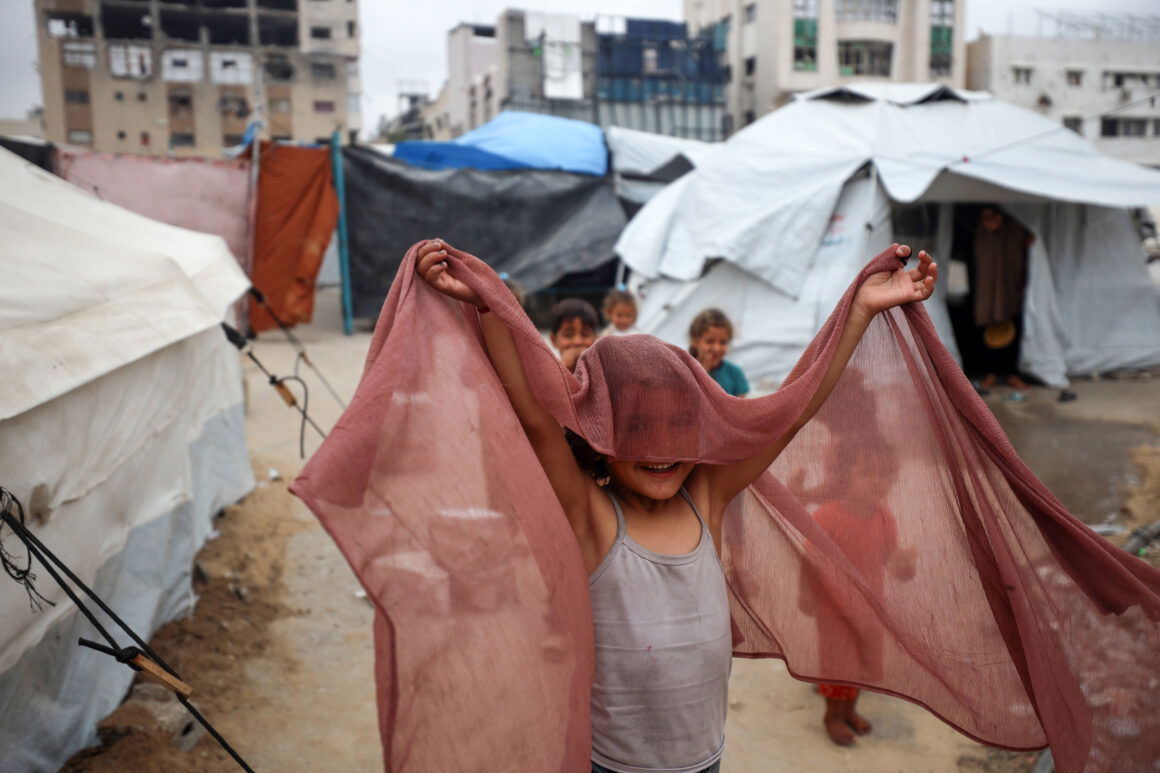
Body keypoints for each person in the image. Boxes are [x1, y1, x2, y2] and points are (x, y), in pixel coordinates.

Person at [416, 238, 937, 773]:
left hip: (703, 761)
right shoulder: (593, 517)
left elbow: (794, 408)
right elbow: (533, 417)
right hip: (614, 766)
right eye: (638, 428)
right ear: (600, 437)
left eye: (678, 425)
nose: (661, 449)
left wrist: (861, 309)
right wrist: (489, 306)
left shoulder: (706, 497)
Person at [973, 205, 1034, 391]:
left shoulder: (1014, 232)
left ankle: (1011, 374)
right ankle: (990, 373)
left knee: (1012, 328)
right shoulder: (980, 236)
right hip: (987, 291)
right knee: (988, 331)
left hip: (1010, 290)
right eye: (985, 218)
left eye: (992, 216)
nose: (989, 221)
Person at [689, 308, 749, 397]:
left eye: (723, 342)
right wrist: (704, 371)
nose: (717, 349)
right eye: (710, 341)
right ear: (695, 341)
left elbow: (740, 407)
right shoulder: (686, 372)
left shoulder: (734, 373)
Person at [549, 298, 598, 372]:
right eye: (568, 335)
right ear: (553, 340)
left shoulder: (605, 373)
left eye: (585, 334)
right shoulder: (548, 374)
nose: (577, 342)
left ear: (595, 338)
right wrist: (563, 369)